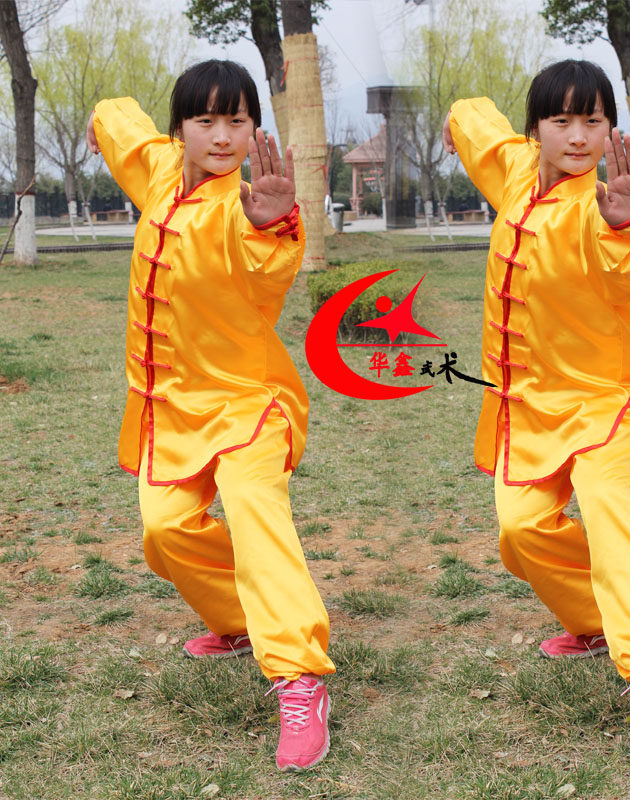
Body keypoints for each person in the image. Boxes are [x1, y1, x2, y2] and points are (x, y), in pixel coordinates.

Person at [442, 59, 630, 772]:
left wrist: (627, 224)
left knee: (613, 521)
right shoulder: (515, 173)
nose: (579, 136)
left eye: (594, 120)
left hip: (605, 404)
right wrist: (462, 121)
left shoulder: (603, 208)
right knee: (521, 532)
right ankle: (596, 620)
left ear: (611, 130)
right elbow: (471, 117)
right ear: (536, 129)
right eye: (563, 120)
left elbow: (624, 273)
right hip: (528, 412)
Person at [86, 59, 334, 772]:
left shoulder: (248, 208)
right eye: (207, 120)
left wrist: (270, 224)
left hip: (248, 405)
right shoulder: (159, 172)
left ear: (255, 130)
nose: (223, 136)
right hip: (171, 411)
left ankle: (298, 675)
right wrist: (104, 117)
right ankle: (240, 620)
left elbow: (267, 274)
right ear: (180, 129)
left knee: (256, 518)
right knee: (165, 532)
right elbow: (118, 118)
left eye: (238, 120)